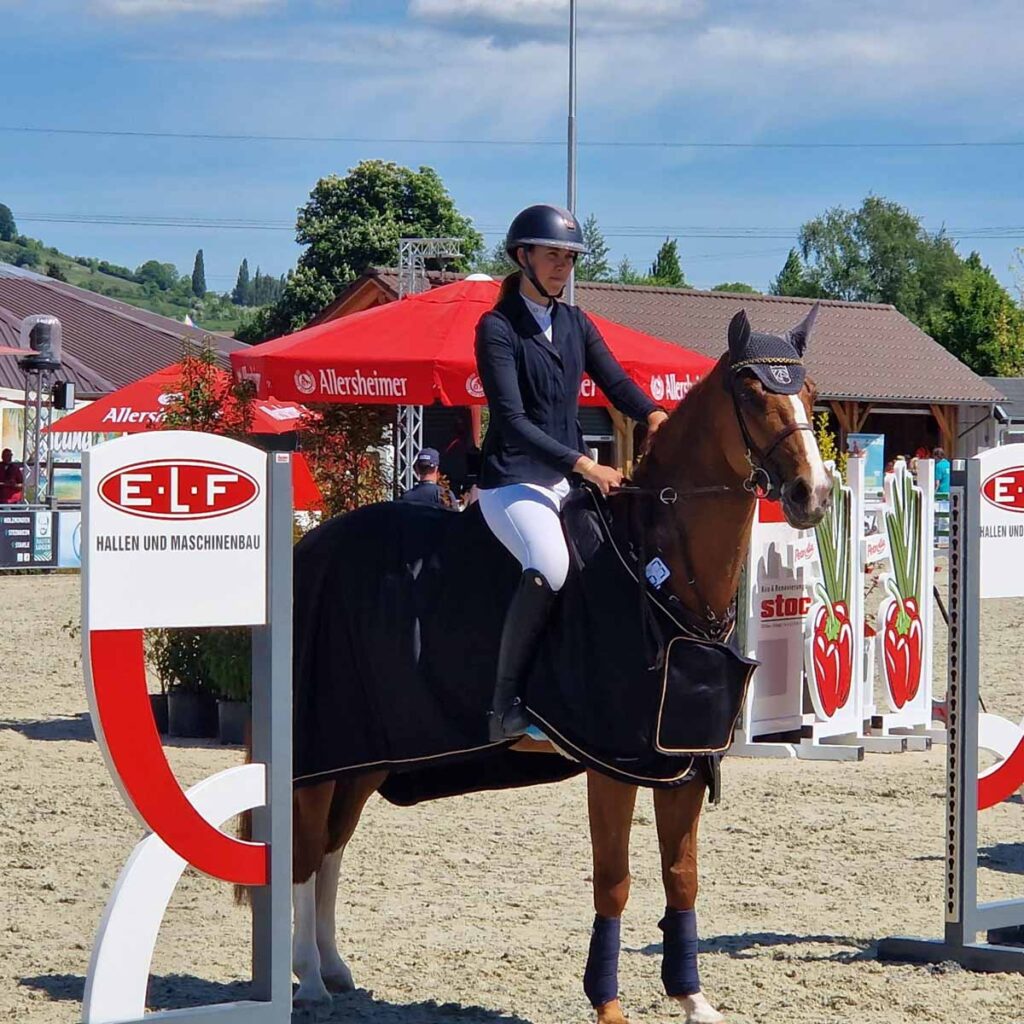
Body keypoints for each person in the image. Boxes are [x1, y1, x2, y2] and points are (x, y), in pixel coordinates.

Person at [475, 203, 670, 740]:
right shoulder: (496, 327)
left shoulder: (575, 322)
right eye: (553, 255)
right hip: (512, 479)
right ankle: (505, 705)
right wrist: (588, 465)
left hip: (565, 478)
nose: (563, 266)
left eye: (569, 257)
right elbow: (511, 421)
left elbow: (616, 382)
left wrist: (653, 413)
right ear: (523, 256)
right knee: (552, 564)